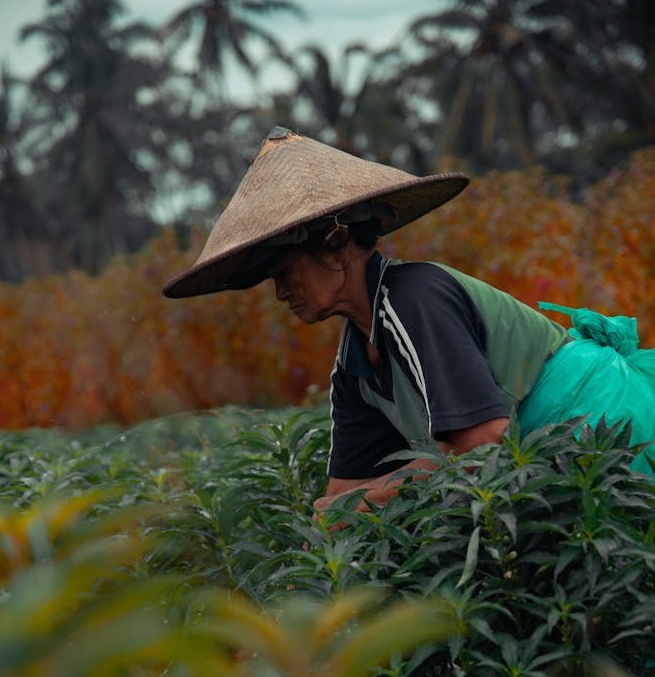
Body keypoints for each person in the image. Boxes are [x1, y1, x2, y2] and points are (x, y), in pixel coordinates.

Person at [163, 127, 655, 510]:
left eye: (285, 272)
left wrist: (362, 502)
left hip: (607, 431)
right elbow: (343, 490)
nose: (280, 293)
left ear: (336, 243)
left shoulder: (414, 297)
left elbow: (480, 450)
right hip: (550, 464)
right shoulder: (355, 360)